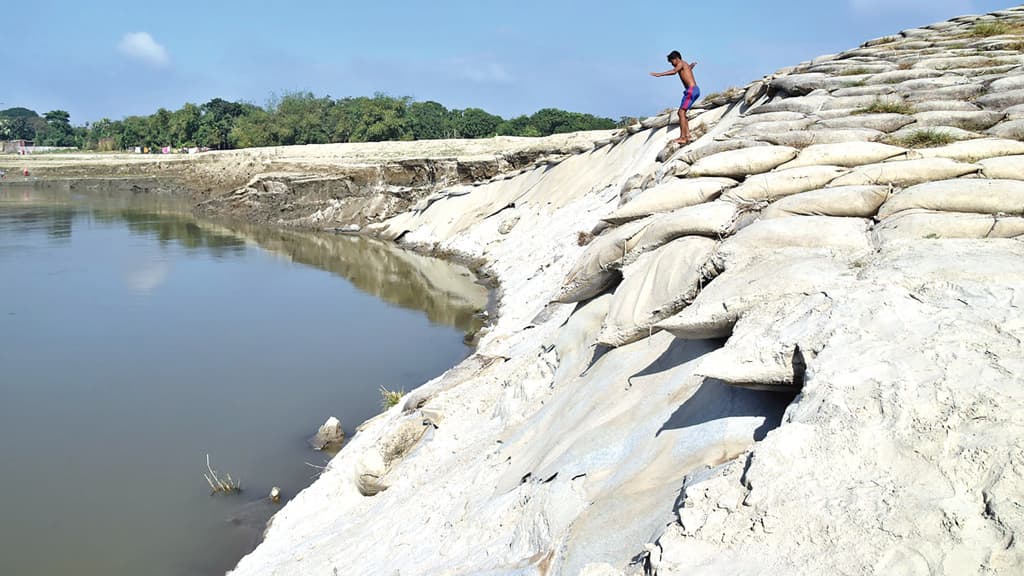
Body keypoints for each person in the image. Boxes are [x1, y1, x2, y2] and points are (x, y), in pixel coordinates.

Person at [651, 51, 700, 144]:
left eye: (672, 61)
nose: (672, 64)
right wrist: (691, 66)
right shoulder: (684, 64)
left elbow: (674, 72)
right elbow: (687, 70)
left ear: (676, 58)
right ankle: (688, 135)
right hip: (693, 90)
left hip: (691, 91)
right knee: (682, 113)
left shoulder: (681, 63)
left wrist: (660, 74)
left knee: (681, 112)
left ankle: (683, 137)